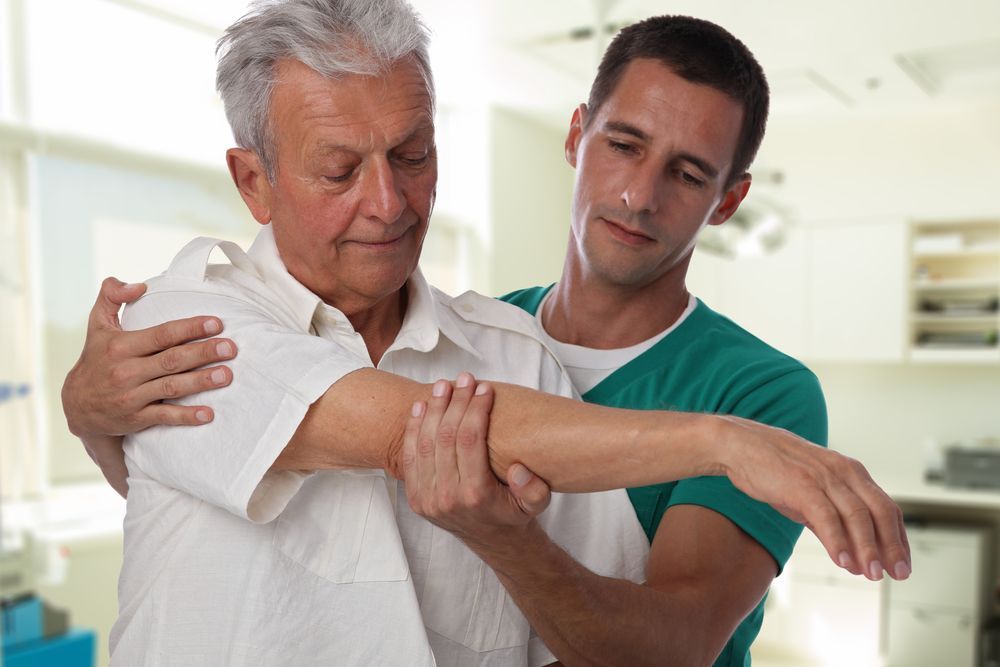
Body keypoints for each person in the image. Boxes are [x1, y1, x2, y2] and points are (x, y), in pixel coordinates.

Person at [61, 2, 910, 666]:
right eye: (339, 169)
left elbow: (619, 643)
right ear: (254, 181)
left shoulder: (515, 354)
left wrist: (503, 536)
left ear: (728, 198)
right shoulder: (181, 318)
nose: (389, 204)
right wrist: (93, 413)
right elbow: (382, 428)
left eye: (413, 155)